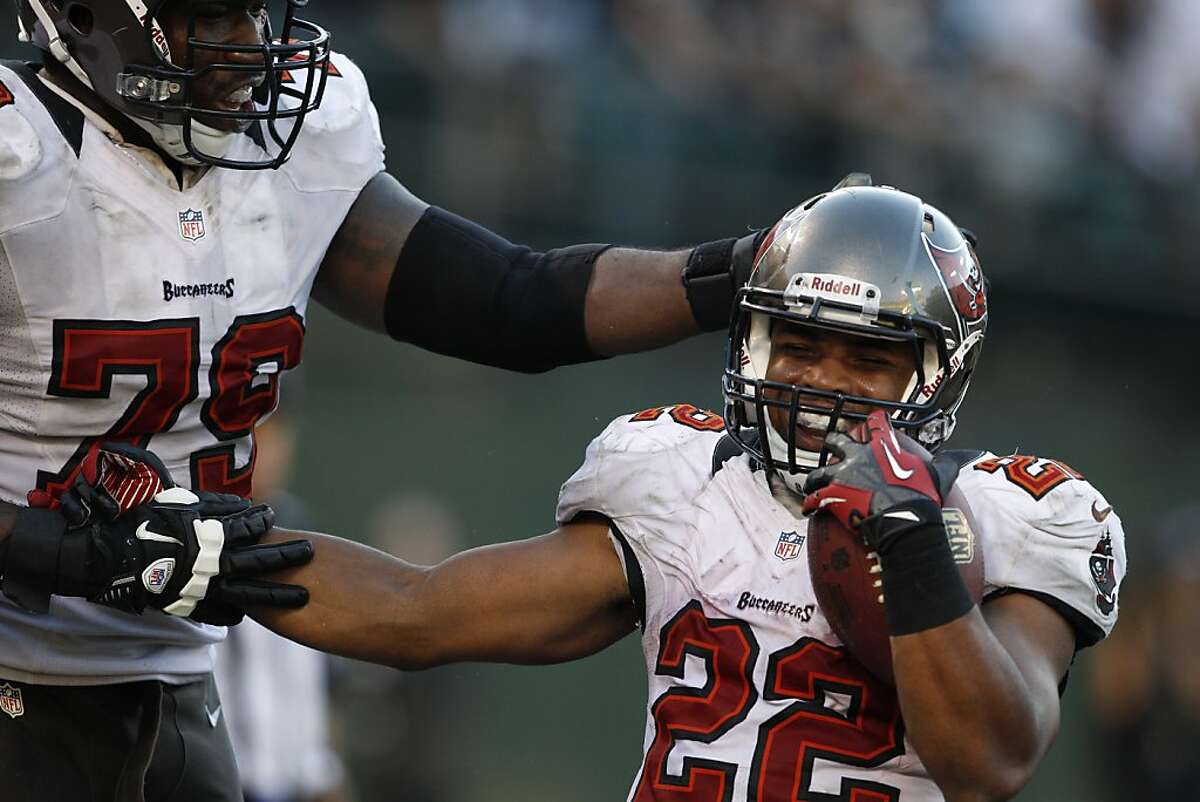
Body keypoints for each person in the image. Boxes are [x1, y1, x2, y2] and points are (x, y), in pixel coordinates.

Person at [35, 182, 1127, 800]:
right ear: (751, 342)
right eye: (799, 343)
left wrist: (911, 544)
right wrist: (206, 556)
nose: (824, 382)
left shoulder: (1015, 513)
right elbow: (425, 612)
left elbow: (992, 754)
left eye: (865, 359)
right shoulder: (681, 483)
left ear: (933, 372)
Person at [0, 1, 770, 800]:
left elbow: (514, 302)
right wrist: (39, 544)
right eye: (218, 19)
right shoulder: (18, 155)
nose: (254, 48)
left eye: (259, 16)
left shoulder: (285, 150)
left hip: (173, 687)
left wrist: (738, 271)